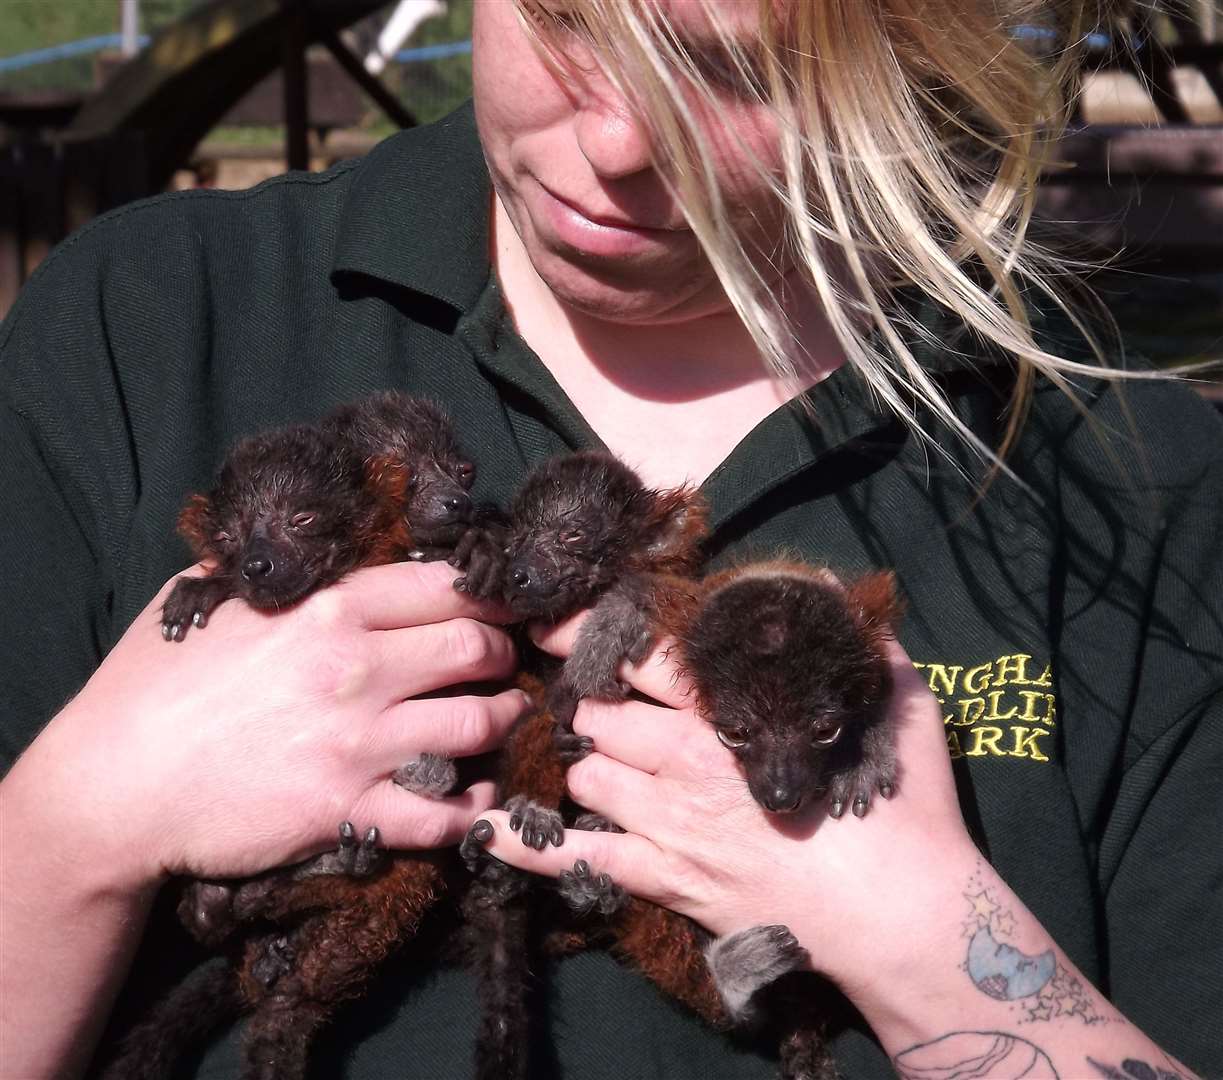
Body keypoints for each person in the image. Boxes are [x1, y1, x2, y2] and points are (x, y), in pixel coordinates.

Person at [0, 1, 1218, 1077]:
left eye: (734, 74)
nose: (617, 143)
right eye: (567, 21)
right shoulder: (149, 324)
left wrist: (918, 934)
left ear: (905, 54)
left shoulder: (1132, 495)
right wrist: (81, 820)